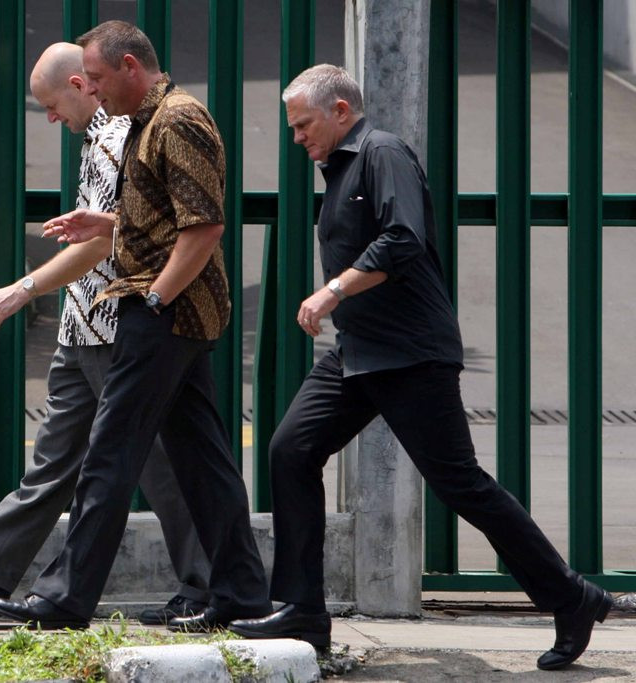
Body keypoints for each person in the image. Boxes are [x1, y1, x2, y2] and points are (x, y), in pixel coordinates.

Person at [227, 64, 613, 669]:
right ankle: (303, 608)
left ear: (341, 111)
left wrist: (333, 291)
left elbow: (402, 238)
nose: (297, 137)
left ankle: (572, 596)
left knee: (461, 484)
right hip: (358, 353)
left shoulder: (383, 154)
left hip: (410, 353)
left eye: (303, 125)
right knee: (290, 450)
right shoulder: (340, 166)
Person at [0, 20, 271, 631]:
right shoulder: (145, 123)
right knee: (204, 463)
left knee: (109, 458)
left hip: (164, 314)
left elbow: (204, 228)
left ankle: (63, 600)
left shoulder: (178, 121)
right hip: (169, 313)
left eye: (96, 78)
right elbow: (163, 223)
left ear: (130, 68)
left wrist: (156, 301)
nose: (92, 90)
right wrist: (107, 224)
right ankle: (243, 594)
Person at [0, 42, 213, 626]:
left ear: (82, 84)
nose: (51, 119)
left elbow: (101, 243)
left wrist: (23, 289)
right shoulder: (100, 137)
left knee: (154, 467)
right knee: (57, 458)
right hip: (82, 326)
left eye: (54, 105)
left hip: (110, 325)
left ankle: (204, 585)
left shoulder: (115, 139)